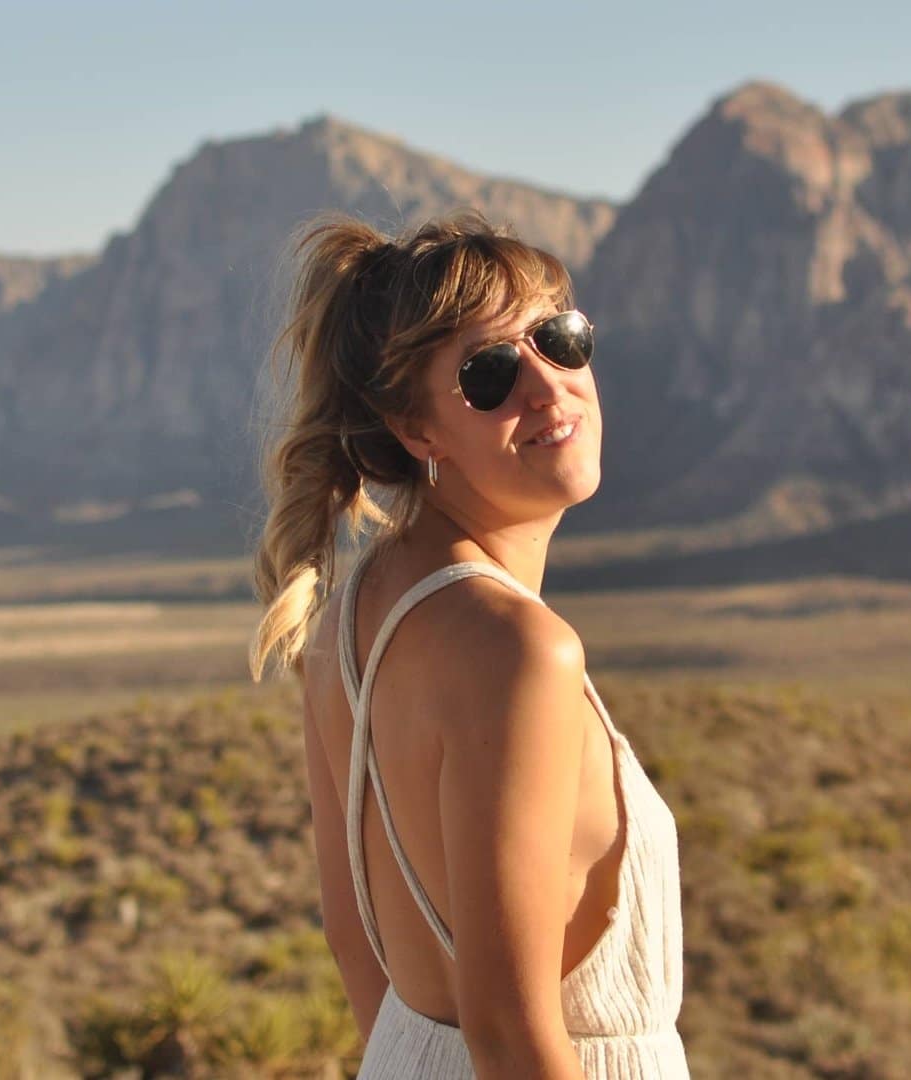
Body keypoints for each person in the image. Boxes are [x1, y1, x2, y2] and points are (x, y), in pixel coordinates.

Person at [249, 210, 688, 1078]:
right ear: (418, 432)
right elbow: (509, 1035)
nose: (548, 386)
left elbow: (355, 943)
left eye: (557, 338)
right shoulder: (517, 651)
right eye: (489, 375)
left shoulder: (348, 621)